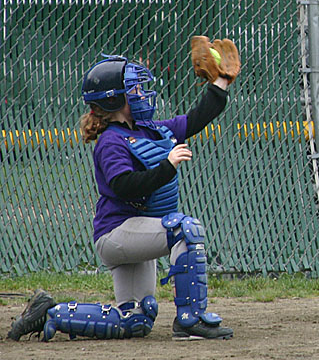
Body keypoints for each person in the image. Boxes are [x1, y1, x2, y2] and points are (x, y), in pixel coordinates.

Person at [8, 39, 240, 342]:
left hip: (137, 231)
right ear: (113, 101)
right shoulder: (111, 141)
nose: (143, 94)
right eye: (135, 90)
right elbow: (125, 187)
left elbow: (196, 118)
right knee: (186, 229)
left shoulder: (150, 128)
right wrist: (168, 165)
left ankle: (50, 312)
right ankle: (190, 321)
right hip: (117, 233)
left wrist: (221, 82)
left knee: (135, 320)